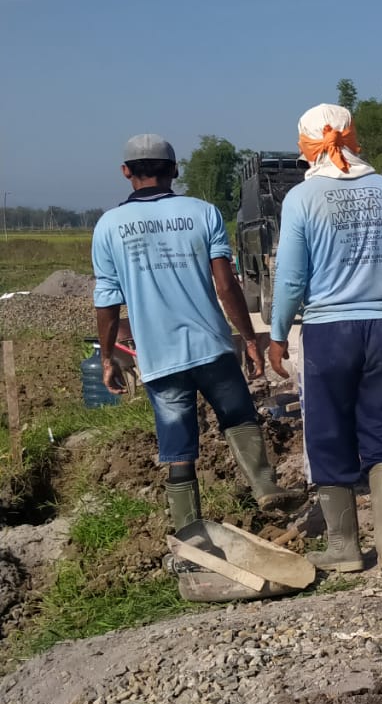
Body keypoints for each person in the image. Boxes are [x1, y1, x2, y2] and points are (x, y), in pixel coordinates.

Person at [267, 104, 382, 573]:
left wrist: (277, 332)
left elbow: (289, 279)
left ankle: (345, 546)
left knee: (329, 431)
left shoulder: (300, 201)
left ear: (309, 148)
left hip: (329, 332)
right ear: (353, 138)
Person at [92, 134, 294, 532]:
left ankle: (190, 530)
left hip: (158, 355)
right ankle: (266, 487)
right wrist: (250, 338)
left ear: (126, 172)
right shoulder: (202, 213)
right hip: (212, 346)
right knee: (238, 415)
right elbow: (226, 285)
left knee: (177, 446)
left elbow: (107, 301)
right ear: (175, 170)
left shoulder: (109, 226)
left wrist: (106, 356)